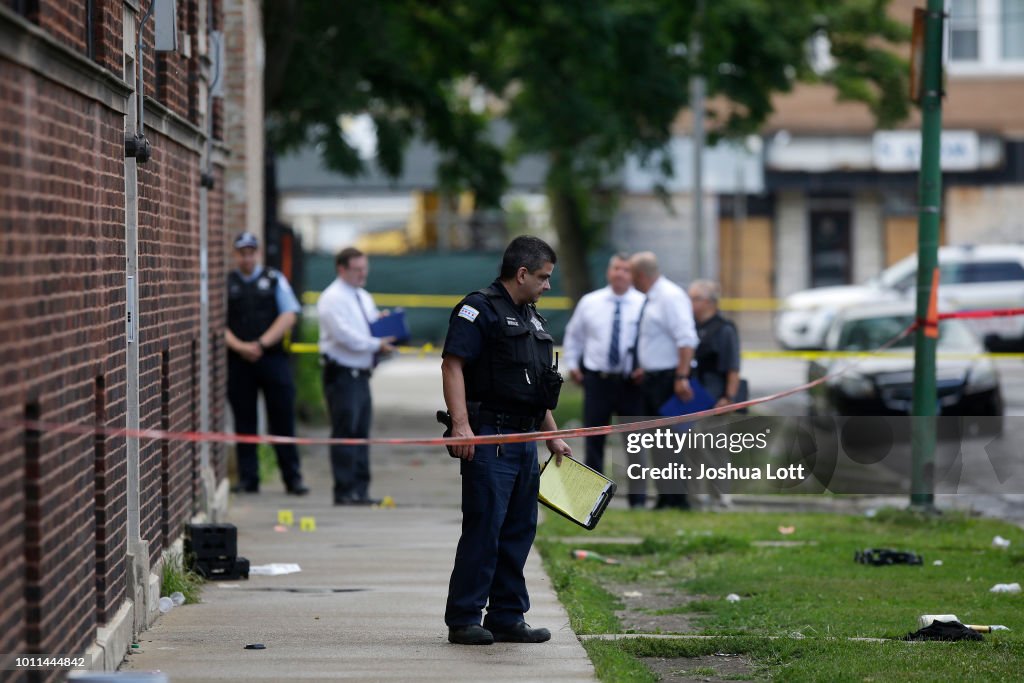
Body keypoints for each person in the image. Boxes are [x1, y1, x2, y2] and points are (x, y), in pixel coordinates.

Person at [441, 235, 572, 646]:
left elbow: (532, 387)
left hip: (524, 440)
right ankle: (464, 617)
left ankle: (506, 615)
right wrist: (462, 427)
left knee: (519, 531)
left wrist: (552, 437)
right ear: (521, 273)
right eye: (543, 277)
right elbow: (452, 365)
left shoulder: (531, 317)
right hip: (489, 437)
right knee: (485, 530)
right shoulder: (477, 309)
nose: (547, 285)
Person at [225, 231, 308, 495]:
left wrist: (260, 343)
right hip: (239, 361)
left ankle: (292, 478)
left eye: (251, 252)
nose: (247, 258)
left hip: (272, 359)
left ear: (257, 253)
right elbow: (218, 322)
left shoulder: (274, 280)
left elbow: (289, 315)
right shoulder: (228, 283)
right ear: (236, 254)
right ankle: (249, 480)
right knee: (244, 421)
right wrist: (241, 346)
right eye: (242, 252)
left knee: (282, 419)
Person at [562, 253, 647, 507]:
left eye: (626, 270)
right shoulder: (591, 302)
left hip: (631, 383)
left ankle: (638, 501)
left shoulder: (644, 304)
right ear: (609, 272)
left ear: (633, 275)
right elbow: (574, 336)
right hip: (598, 380)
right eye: (616, 269)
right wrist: (574, 365)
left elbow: (653, 342)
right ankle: (592, 499)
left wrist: (647, 367)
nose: (620, 273)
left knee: (635, 444)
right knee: (594, 440)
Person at [318, 247, 396, 505]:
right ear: (342, 269)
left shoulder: (362, 296)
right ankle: (344, 490)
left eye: (365, 268)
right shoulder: (331, 298)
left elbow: (367, 326)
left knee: (361, 431)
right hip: (342, 373)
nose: (363, 273)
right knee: (346, 430)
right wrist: (377, 344)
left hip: (361, 373)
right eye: (357, 269)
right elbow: (345, 335)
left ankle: (360, 490)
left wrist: (383, 325)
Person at [628, 252, 698, 510]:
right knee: (657, 442)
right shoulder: (652, 298)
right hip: (652, 378)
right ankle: (665, 497)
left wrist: (681, 376)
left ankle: (678, 500)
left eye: (632, 275)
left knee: (670, 442)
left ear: (641, 275)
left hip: (669, 379)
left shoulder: (670, 297)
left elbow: (686, 339)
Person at [688, 279, 742, 508]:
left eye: (694, 298)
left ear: (708, 302)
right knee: (690, 447)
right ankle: (694, 496)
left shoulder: (725, 329)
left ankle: (721, 497)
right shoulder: (689, 326)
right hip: (691, 397)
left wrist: (727, 398)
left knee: (714, 449)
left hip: (714, 397)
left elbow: (733, 368)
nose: (689, 303)